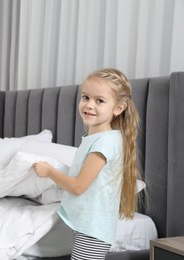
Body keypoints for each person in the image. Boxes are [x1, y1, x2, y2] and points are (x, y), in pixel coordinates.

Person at [33, 68, 139, 259]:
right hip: (86, 224)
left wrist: (49, 171)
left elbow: (78, 186)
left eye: (99, 100)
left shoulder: (105, 142)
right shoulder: (97, 138)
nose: (89, 105)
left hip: (93, 229)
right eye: (85, 97)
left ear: (118, 108)